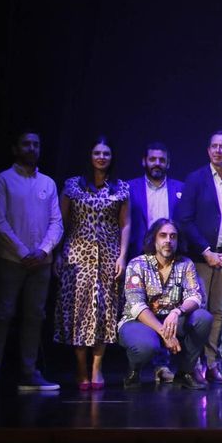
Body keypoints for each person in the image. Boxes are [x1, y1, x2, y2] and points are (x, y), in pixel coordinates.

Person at [0, 129, 64, 395]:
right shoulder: (3, 181)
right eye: (26, 144)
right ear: (16, 148)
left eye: (36, 145)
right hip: (11, 261)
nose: (32, 148)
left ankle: (29, 373)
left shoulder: (48, 183)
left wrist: (43, 250)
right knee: (2, 315)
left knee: (34, 317)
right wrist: (23, 251)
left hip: (40, 263)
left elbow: (56, 222)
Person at [55, 139, 131, 392]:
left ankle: (97, 368)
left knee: (103, 313)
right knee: (79, 312)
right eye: (97, 152)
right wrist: (57, 253)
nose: (101, 157)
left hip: (108, 256)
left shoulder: (120, 187)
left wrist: (122, 256)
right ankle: (80, 369)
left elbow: (125, 224)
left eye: (106, 153)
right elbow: (60, 221)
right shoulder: (73, 185)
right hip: (76, 257)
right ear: (89, 156)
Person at [175, 131, 222, 384]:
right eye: (214, 146)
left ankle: (212, 364)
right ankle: (193, 365)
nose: (218, 151)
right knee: (199, 313)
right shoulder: (195, 179)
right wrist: (206, 251)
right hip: (200, 258)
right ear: (208, 151)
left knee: (219, 313)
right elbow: (184, 219)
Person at [118, 219, 209, 389]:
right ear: (154, 239)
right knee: (146, 346)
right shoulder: (137, 264)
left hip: (172, 319)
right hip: (139, 321)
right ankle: (134, 371)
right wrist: (164, 334)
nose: (168, 240)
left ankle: (185, 373)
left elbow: (195, 297)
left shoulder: (185, 264)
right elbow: (136, 305)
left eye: (173, 236)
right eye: (163, 236)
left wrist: (177, 312)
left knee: (203, 318)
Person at [126, 142, 185, 263]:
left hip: (171, 255)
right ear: (144, 161)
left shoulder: (181, 188)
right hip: (138, 254)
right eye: (152, 159)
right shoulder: (129, 188)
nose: (157, 163)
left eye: (162, 160)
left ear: (168, 164)